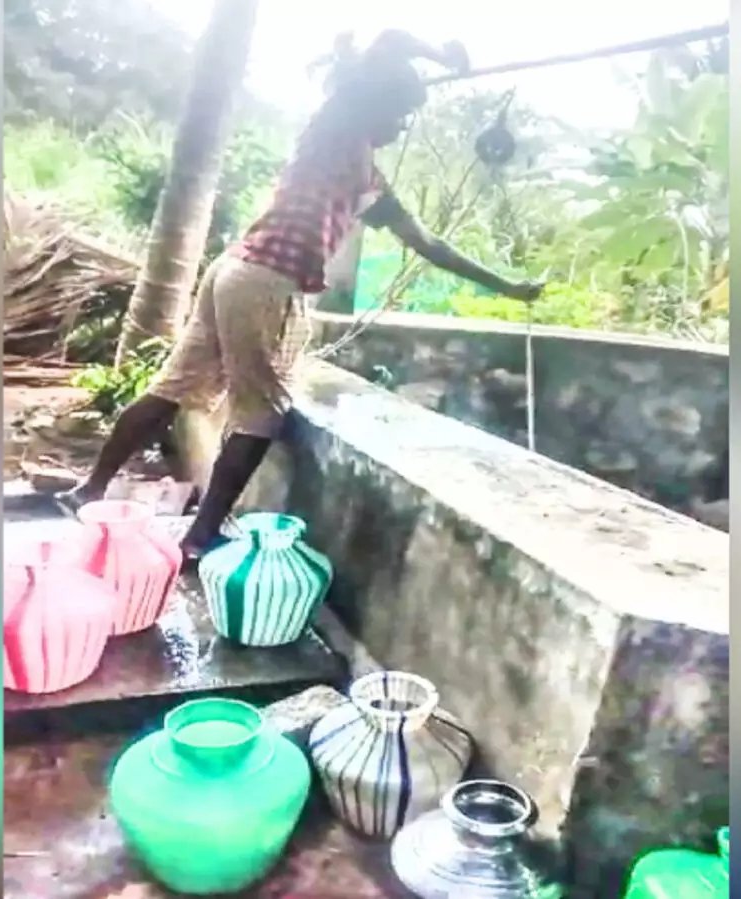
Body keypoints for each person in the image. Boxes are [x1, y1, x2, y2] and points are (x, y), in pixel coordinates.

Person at [58, 30, 544, 562]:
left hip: (233, 269)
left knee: (172, 387)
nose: (402, 127)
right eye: (400, 113)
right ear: (374, 101)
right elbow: (389, 42)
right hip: (266, 281)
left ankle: (90, 489)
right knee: (263, 412)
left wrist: (506, 287)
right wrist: (441, 53)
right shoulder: (338, 131)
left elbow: (431, 245)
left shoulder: (363, 177)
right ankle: (201, 535)